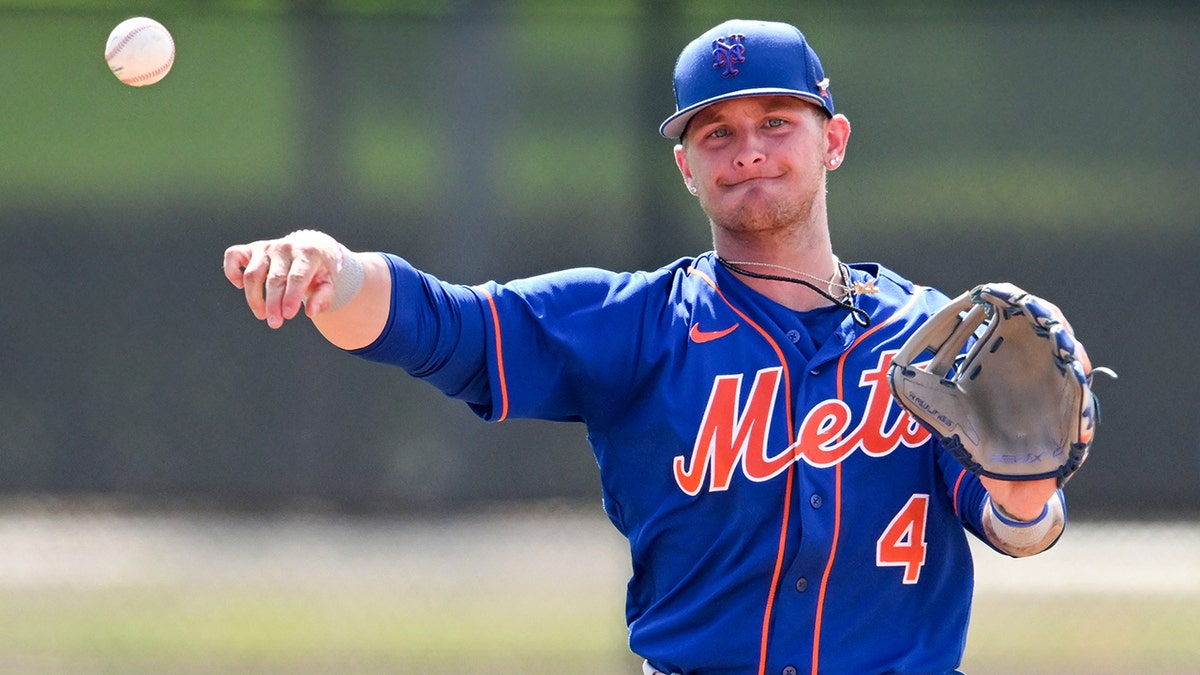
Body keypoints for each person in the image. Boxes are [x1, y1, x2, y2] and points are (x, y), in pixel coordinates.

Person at [224, 19, 1072, 675]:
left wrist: (1025, 496)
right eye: (716, 133)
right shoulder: (637, 325)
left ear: (833, 141)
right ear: (685, 167)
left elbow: (1015, 526)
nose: (748, 150)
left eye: (777, 121)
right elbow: (447, 327)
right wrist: (334, 270)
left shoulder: (937, 338)